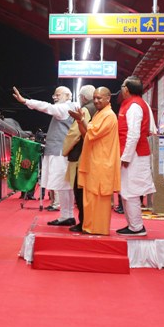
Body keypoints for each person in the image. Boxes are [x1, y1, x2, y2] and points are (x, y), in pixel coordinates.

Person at [13, 86, 78, 224]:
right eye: (54, 94)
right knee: (64, 186)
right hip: (60, 151)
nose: (55, 97)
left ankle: (67, 216)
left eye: (58, 94)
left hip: (59, 152)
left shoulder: (64, 108)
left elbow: (46, 107)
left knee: (63, 185)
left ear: (67, 95)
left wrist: (26, 101)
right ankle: (67, 215)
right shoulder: (69, 107)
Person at [69, 87, 121, 236]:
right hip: (93, 162)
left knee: (98, 198)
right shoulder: (99, 114)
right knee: (90, 198)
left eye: (100, 98)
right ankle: (89, 226)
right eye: (95, 98)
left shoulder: (109, 116)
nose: (97, 100)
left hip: (101, 163)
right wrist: (80, 122)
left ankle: (98, 228)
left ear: (108, 99)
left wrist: (82, 120)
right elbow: (87, 134)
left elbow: (93, 132)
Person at [116, 76, 157, 236]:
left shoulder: (134, 106)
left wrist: (125, 157)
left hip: (134, 155)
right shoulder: (136, 104)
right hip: (133, 154)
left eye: (122, 86)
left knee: (130, 192)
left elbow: (133, 134)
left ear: (127, 89)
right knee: (127, 191)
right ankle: (133, 225)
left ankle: (137, 227)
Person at [61, 85, 96, 232]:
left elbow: (74, 134)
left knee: (79, 190)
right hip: (93, 155)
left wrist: (64, 150)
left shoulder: (86, 109)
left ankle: (83, 223)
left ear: (82, 98)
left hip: (81, 155)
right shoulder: (98, 110)